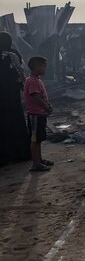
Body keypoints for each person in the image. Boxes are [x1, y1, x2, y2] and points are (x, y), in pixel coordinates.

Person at [0, 32, 30, 164]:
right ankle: (20, 153)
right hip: (11, 94)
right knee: (16, 121)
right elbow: (20, 73)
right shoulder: (12, 54)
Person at [24, 56, 54, 172]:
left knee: (39, 139)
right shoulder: (32, 81)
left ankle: (39, 160)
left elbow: (41, 96)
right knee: (35, 140)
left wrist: (48, 106)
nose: (45, 69)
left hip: (40, 114)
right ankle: (36, 163)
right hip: (35, 115)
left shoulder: (37, 80)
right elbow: (36, 97)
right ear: (37, 67)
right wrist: (46, 107)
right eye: (43, 66)